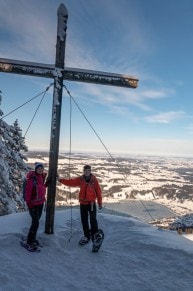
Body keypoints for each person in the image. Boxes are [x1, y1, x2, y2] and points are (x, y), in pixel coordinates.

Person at [58, 165, 102, 245]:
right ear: (84, 171)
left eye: (88, 170)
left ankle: (95, 234)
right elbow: (71, 182)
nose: (87, 172)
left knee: (93, 220)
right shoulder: (81, 179)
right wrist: (60, 180)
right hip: (83, 204)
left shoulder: (94, 180)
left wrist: (100, 203)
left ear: (90, 171)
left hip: (91, 203)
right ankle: (87, 236)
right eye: (85, 170)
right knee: (84, 220)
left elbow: (98, 191)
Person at [25, 162, 48, 250]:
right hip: (33, 205)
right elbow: (28, 192)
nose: (40, 170)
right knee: (35, 223)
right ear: (36, 169)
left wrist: (47, 183)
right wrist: (29, 204)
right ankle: (29, 241)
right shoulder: (32, 179)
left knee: (36, 222)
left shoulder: (41, 177)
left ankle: (33, 238)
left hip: (40, 203)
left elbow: (42, 187)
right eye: (39, 169)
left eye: (42, 169)